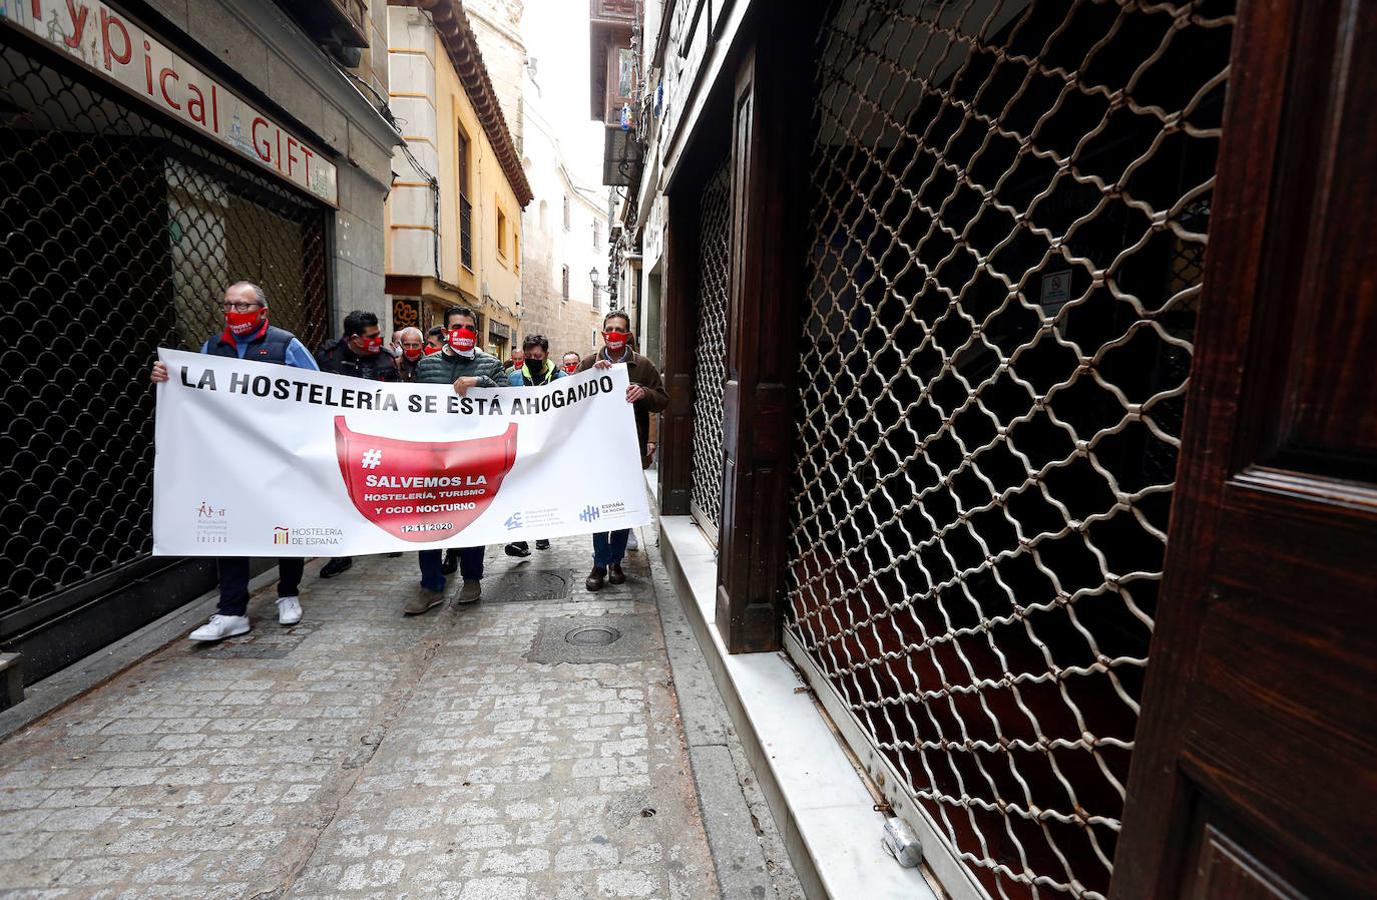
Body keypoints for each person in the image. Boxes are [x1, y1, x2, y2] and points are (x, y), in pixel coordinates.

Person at [149, 282, 320, 641]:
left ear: (262, 311)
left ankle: (288, 594)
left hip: (276, 455)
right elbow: (193, 391)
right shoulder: (212, 348)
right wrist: (168, 379)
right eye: (228, 305)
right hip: (229, 459)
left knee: (284, 526)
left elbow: (317, 391)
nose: (234, 313)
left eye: (243, 306)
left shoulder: (286, 345)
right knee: (230, 531)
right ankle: (231, 611)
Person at [409, 305, 505, 613]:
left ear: (475, 334)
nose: (462, 331)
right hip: (432, 457)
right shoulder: (426, 366)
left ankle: (472, 580)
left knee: (471, 520)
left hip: (472, 457)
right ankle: (431, 586)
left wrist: (479, 382)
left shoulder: (490, 364)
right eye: (456, 326)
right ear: (446, 331)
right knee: (428, 522)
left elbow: (507, 398)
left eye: (468, 327)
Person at [577, 312, 669, 591]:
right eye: (609, 329)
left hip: (629, 449)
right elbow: (571, 401)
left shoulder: (643, 365)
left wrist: (644, 392)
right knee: (599, 508)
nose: (614, 334)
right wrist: (591, 377)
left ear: (628, 335)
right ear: (603, 333)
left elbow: (662, 400)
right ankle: (599, 563)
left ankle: (615, 561)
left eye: (620, 330)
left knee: (621, 510)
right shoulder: (590, 363)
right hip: (597, 450)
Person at [313, 310, 398, 578]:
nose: (378, 339)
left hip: (374, 438)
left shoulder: (386, 359)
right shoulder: (328, 357)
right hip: (337, 437)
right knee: (340, 494)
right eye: (372, 335)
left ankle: (386, 537)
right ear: (354, 338)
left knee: (378, 488)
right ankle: (341, 553)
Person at [503, 334, 565, 557]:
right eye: (528, 355)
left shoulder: (561, 379)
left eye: (536, 356)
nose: (531, 359)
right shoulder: (514, 379)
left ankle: (542, 532)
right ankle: (519, 539)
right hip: (521, 444)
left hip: (549, 445)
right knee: (520, 488)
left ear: (546, 355)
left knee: (543, 489)